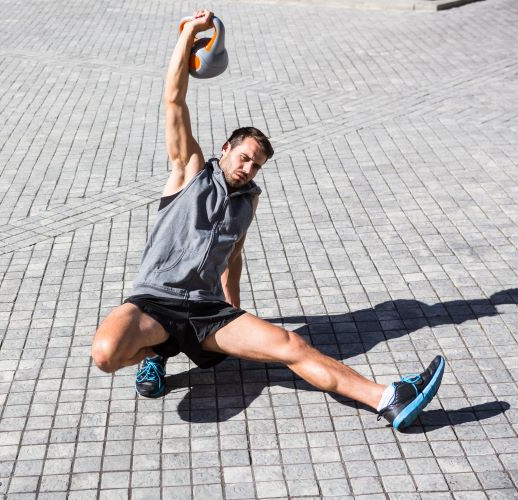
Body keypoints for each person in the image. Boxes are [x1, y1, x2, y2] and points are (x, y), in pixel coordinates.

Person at [91, 9, 445, 431]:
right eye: (244, 158)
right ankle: (155, 356)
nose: (247, 169)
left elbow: (232, 255)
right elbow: (173, 100)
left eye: (256, 165)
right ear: (225, 149)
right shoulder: (188, 170)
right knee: (106, 353)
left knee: (290, 344)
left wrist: (234, 310)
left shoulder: (248, 201)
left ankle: (389, 398)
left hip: (207, 312)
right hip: (155, 301)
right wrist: (188, 36)